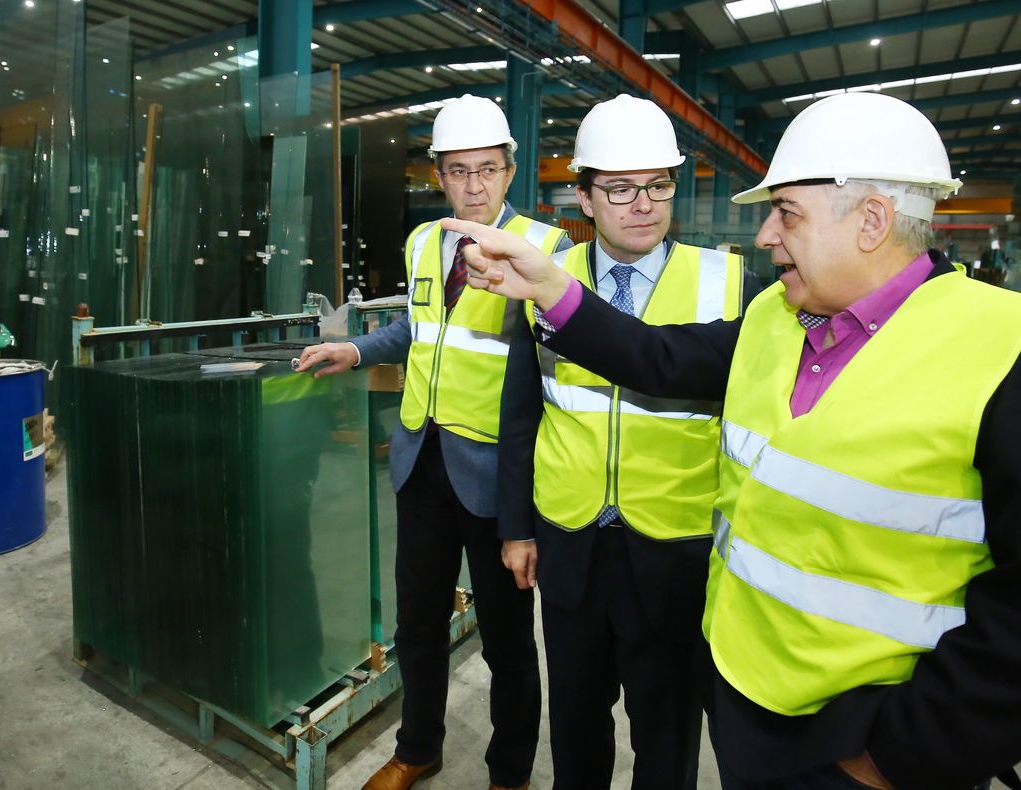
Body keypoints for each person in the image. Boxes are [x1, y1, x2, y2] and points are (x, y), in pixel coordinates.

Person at [443, 91, 1021, 790]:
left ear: (872, 220)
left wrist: (907, 751)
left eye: (787, 213)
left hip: (871, 733)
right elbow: (655, 357)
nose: (766, 236)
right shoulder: (778, 320)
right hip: (747, 699)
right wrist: (553, 291)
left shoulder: (999, 350)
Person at [296, 94, 572, 790]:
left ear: (510, 173)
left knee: (510, 643)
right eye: (457, 171)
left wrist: (527, 514)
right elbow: (419, 331)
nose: (473, 186)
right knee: (417, 626)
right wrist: (356, 351)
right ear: (439, 176)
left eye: (487, 170)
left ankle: (509, 771)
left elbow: (553, 382)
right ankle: (417, 748)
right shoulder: (424, 243)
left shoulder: (545, 250)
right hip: (422, 464)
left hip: (497, 478)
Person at [497, 94, 749, 790]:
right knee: (576, 722)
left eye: (659, 185)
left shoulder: (728, 284)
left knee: (668, 734)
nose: (643, 204)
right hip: (571, 538)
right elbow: (522, 413)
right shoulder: (543, 280)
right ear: (582, 194)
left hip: (675, 547)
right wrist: (517, 527)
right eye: (619, 189)